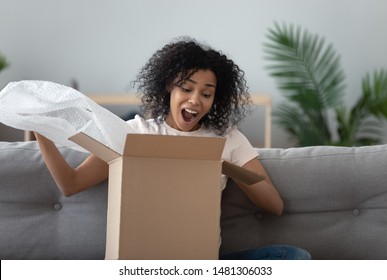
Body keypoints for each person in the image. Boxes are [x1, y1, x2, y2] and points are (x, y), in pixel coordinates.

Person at [34, 37, 311, 260]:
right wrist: (39, 127)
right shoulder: (135, 132)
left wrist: (223, 165)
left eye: (206, 93)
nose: (194, 100)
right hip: (143, 264)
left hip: (202, 264)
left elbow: (274, 206)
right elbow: (71, 184)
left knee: (293, 257)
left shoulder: (228, 138)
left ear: (216, 99)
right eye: (186, 89)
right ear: (170, 87)